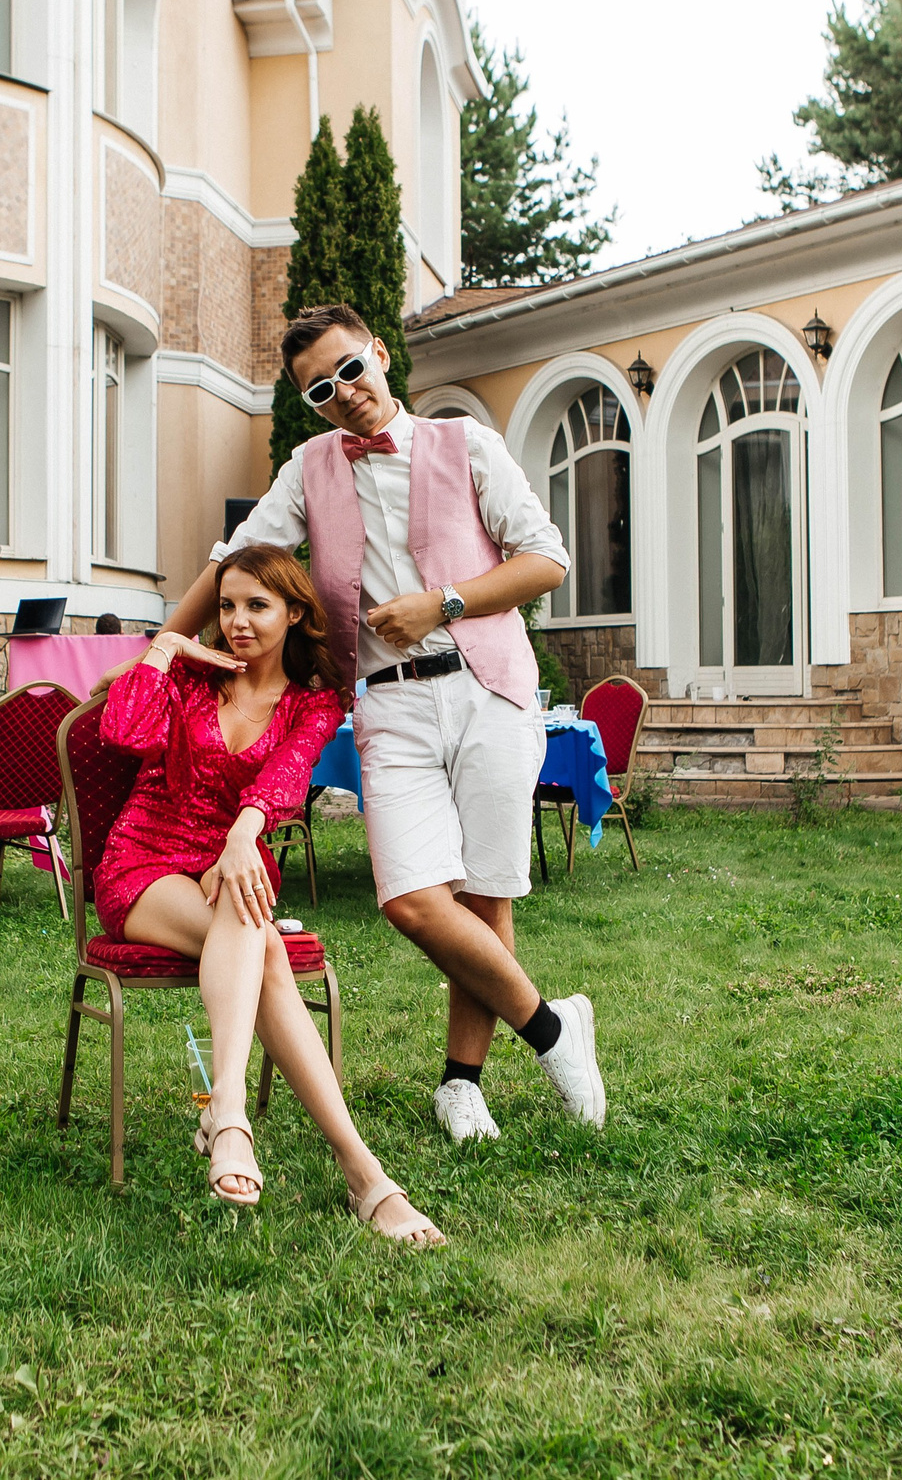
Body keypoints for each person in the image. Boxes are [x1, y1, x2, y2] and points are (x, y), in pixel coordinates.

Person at [146, 303, 606, 1145]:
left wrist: (445, 602)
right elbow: (235, 562)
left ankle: (462, 1086)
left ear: (379, 354)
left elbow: (547, 558)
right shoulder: (308, 468)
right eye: (321, 388)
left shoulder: (465, 444)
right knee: (410, 899)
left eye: (350, 369)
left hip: (487, 683)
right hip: (387, 702)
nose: (342, 394)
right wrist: (167, 642)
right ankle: (553, 1028)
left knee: (484, 892)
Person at [98, 543, 445, 1243]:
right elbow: (119, 729)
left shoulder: (314, 701)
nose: (237, 621)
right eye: (226, 605)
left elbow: (285, 779)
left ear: (294, 611)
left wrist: (240, 835)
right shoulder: (192, 681)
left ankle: (231, 1119)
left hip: (232, 863)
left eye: (257, 605)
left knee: (246, 908)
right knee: (267, 950)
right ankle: (361, 1174)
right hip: (144, 862)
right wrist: (168, 646)